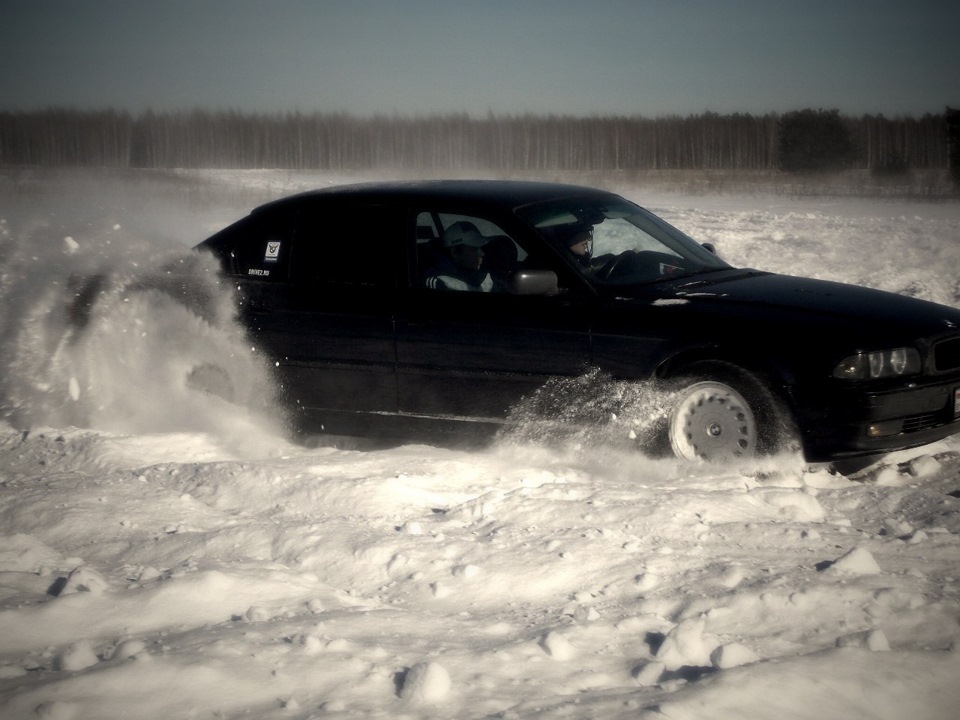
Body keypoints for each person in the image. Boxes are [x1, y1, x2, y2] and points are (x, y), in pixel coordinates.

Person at [423, 221, 494, 292]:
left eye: (481, 248)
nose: (482, 253)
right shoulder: (439, 282)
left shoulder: (477, 272)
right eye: (474, 249)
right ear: (455, 252)